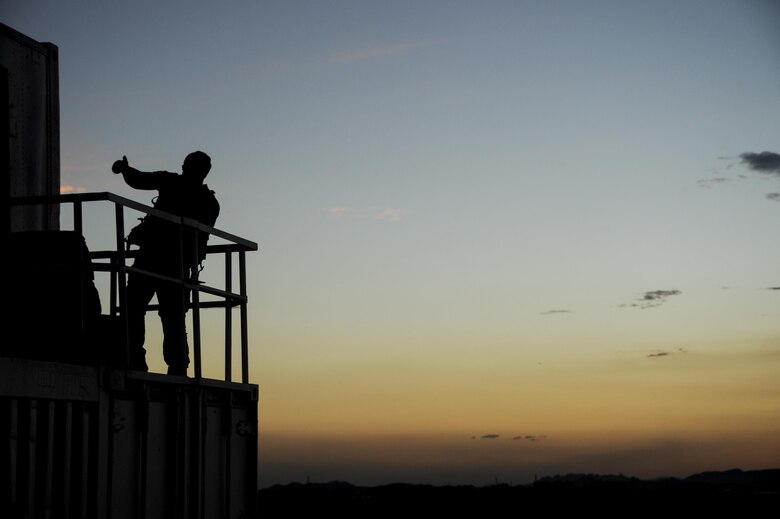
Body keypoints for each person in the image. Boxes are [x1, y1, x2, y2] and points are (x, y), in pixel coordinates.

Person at [112, 151, 219, 375]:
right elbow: (138, 179)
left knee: (143, 310)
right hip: (172, 263)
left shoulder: (175, 184)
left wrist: (125, 170)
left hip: (160, 259)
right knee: (166, 315)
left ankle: (140, 360)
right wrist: (126, 170)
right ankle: (173, 364)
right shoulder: (209, 201)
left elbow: (139, 180)